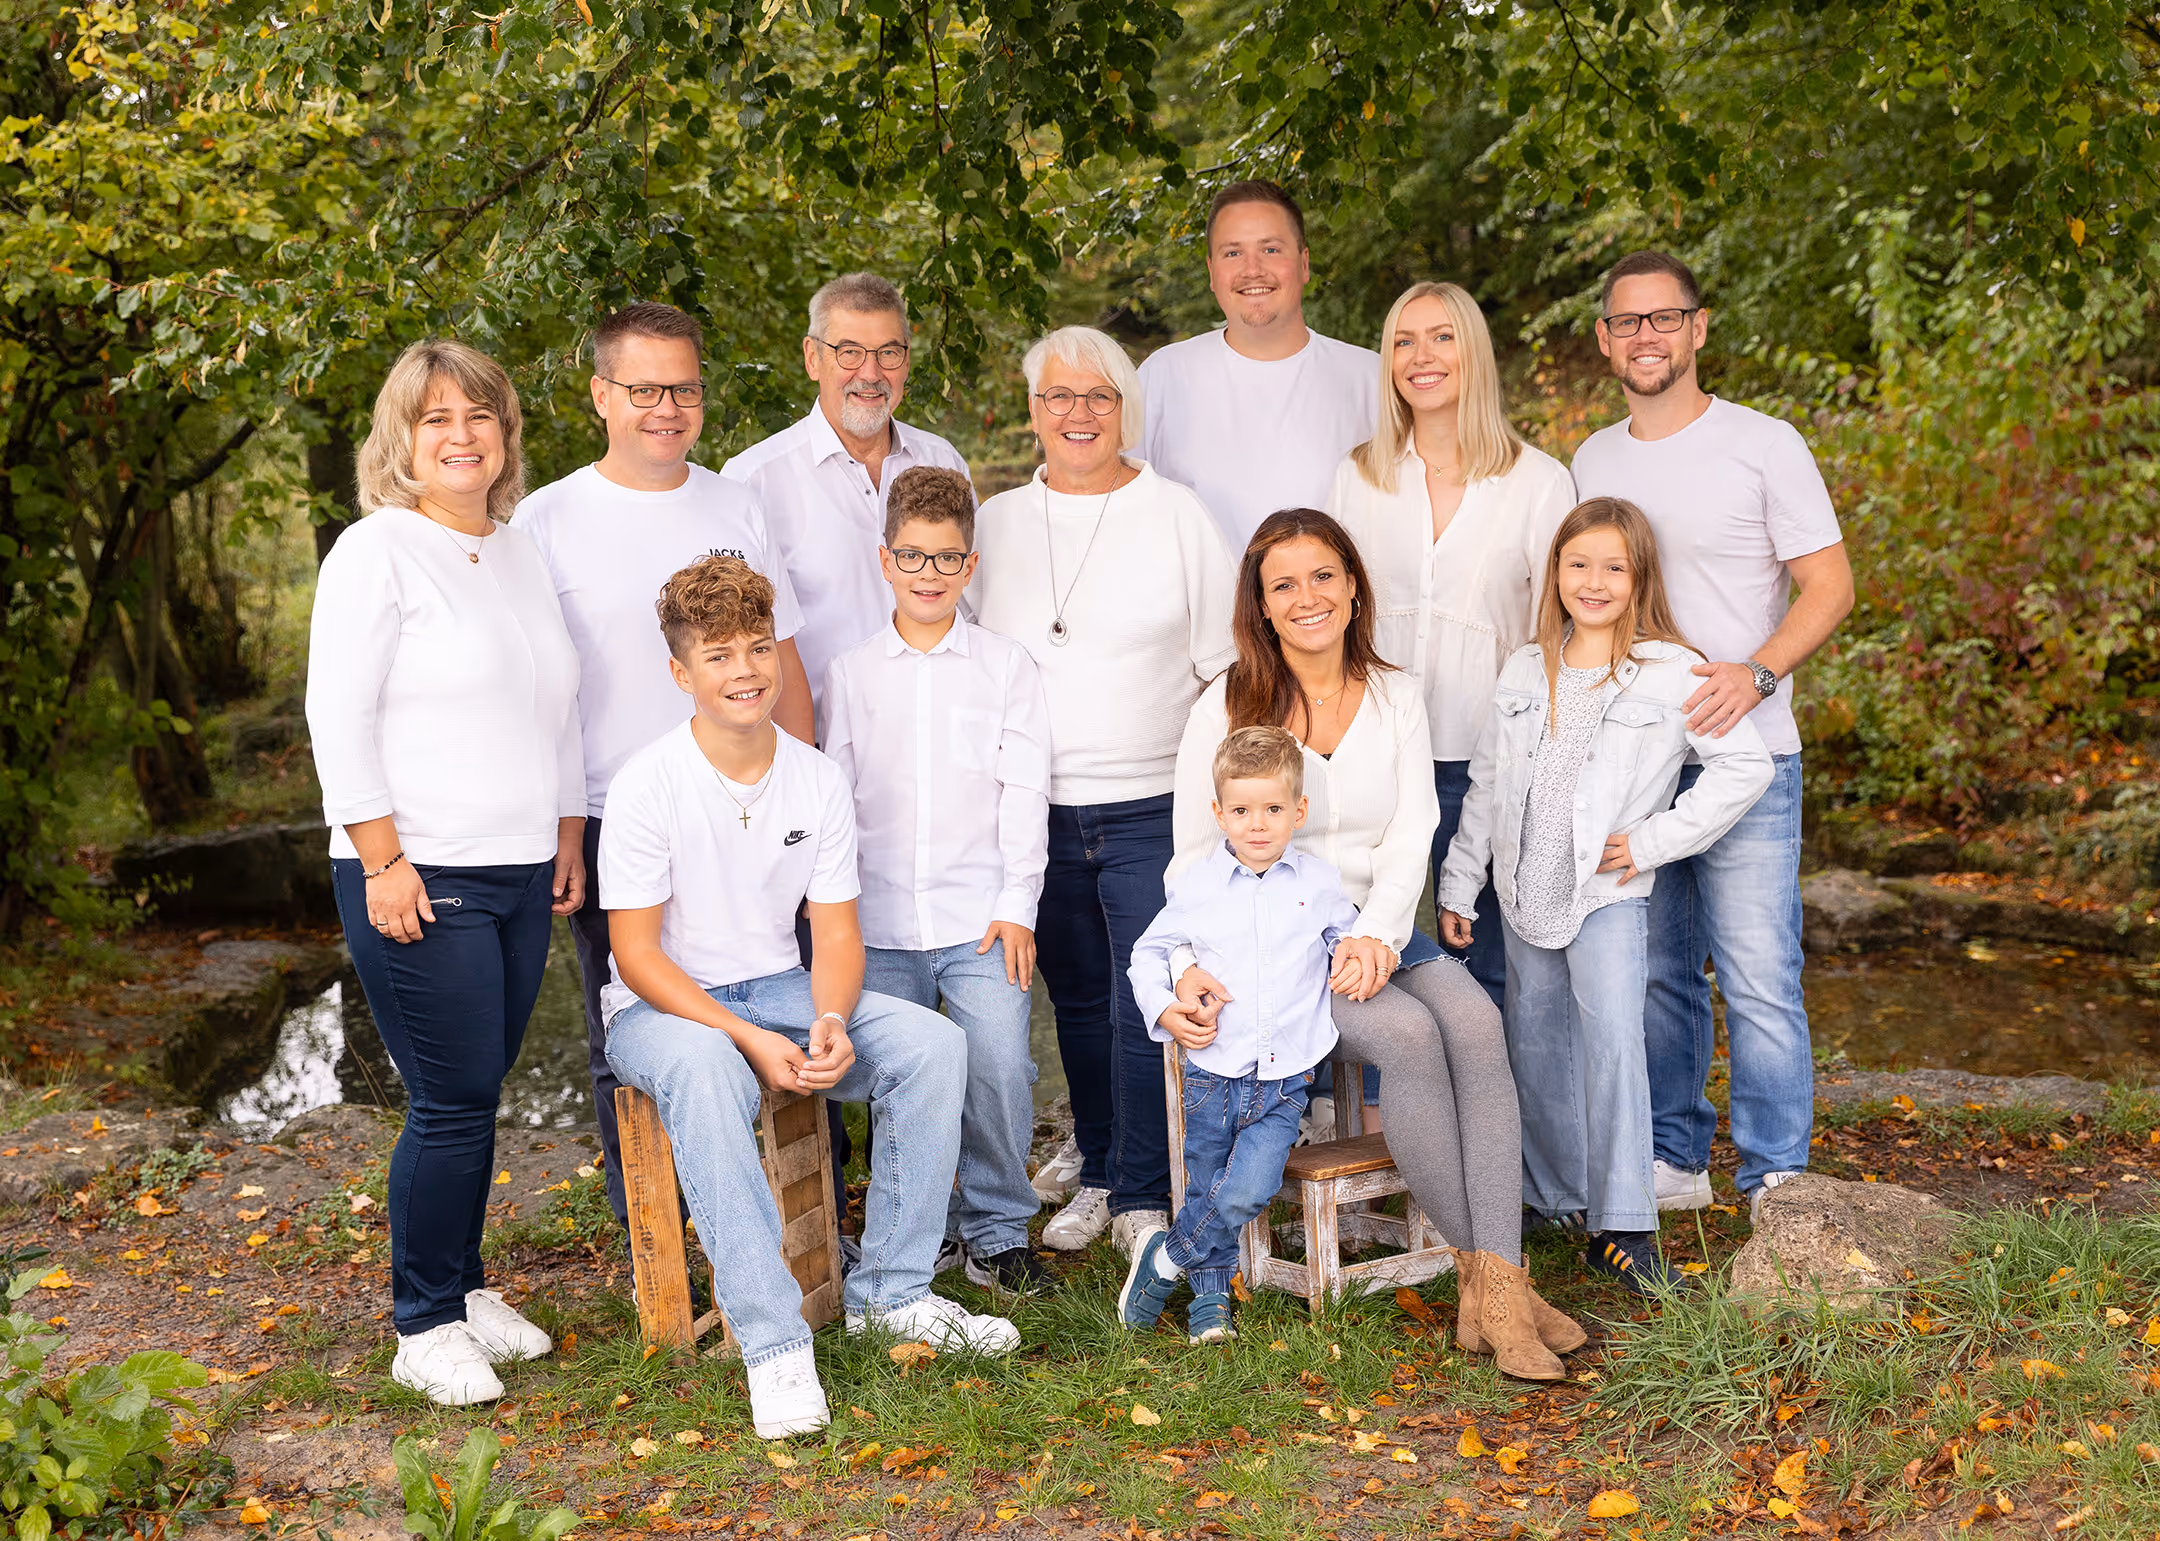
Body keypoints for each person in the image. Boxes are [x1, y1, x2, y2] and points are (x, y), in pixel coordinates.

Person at [600, 555, 1018, 1442]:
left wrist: (827, 1017)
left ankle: (892, 1293)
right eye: (718, 656)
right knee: (712, 1066)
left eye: (758, 648)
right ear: (682, 673)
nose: (744, 669)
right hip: (662, 1010)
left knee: (932, 1046)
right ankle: (775, 1342)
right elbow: (635, 956)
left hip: (782, 986)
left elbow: (834, 937)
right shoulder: (647, 783)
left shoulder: (816, 780)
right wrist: (749, 1036)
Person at [1166, 508, 1582, 1381]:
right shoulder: (1227, 705)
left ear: (1354, 586)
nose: (1308, 596)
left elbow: (1413, 828)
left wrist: (1378, 934)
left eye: (1324, 575)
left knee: (1474, 1022)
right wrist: (1195, 960)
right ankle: (1497, 1289)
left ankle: (1493, 1285)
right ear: (1262, 606)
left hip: (1380, 924)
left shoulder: (1395, 692)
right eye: (1285, 584)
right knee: (1408, 1037)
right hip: (1275, 944)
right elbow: (1191, 857)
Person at [306, 339, 583, 1406]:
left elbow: (551, 701)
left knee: (477, 1088)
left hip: (519, 868)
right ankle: (422, 1322)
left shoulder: (515, 549)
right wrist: (381, 856)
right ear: (403, 439)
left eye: (479, 414)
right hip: (419, 868)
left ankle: (464, 1291)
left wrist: (565, 830)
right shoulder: (375, 552)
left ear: (505, 432)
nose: (460, 434)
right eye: (436, 418)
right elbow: (338, 715)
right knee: (453, 1098)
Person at [516, 301, 813, 1229]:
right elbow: (539, 697)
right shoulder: (546, 519)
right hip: (613, 813)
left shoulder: (735, 501)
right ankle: (654, 1224)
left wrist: (806, 797)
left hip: (753, 803)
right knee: (628, 1023)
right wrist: (566, 827)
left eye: (683, 386)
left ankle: (796, 1215)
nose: (666, 407)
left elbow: (785, 658)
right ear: (600, 392)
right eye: (643, 388)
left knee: (779, 1004)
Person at [1569, 251, 1853, 1221]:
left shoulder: (1765, 444)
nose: (1646, 335)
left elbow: (1831, 585)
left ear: (1699, 328)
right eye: (1627, 322)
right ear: (1605, 340)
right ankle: (1674, 1154)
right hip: (1642, 761)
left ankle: (1777, 1171)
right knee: (1656, 971)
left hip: (1751, 752)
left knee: (1761, 971)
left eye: (1665, 318)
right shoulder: (1593, 460)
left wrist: (1759, 669)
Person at [1439, 498, 1772, 1293]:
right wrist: (1460, 880)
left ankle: (1623, 1224)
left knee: (1616, 1044)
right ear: (1555, 572)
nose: (1594, 581)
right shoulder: (1525, 668)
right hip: (1524, 887)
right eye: (1578, 563)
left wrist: (1653, 841)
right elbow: (1485, 785)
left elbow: (1745, 768)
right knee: (1539, 1043)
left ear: (1639, 578)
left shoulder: (1669, 671)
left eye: (1613, 567)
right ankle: (1559, 1200)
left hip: (1606, 891)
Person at [969, 325, 1238, 1256]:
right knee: (1074, 998)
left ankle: (1140, 1191)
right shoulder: (995, 521)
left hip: (1150, 805)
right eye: (1059, 396)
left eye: (1100, 397)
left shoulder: (1178, 515)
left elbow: (1225, 671)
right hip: (1034, 811)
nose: (1079, 414)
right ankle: (1095, 1160)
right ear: (1033, 410)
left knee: (1141, 997)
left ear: (1128, 409)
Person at [822, 466, 1054, 1293]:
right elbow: (834, 799)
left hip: (980, 917)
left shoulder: (1005, 667)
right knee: (897, 1074)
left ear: (971, 564)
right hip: (877, 921)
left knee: (995, 1062)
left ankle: (995, 1230)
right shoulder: (850, 674)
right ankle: (911, 1232)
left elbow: (1025, 793)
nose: (929, 574)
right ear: (885, 560)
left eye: (947, 559)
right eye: (913, 557)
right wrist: (832, 919)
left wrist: (1017, 906)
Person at [1326, 280, 1575, 1008]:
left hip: (1491, 756)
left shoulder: (1538, 482)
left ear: (1474, 352)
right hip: (1378, 750)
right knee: (1373, 959)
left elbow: (1556, 634)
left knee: (1493, 958)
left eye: (1441, 337)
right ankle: (1382, 1120)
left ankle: (1502, 1122)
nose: (1420, 356)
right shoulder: (1357, 476)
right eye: (1403, 340)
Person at [1123, 726, 1362, 1344]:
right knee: (1208, 1182)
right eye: (1242, 810)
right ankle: (1210, 1302)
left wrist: (1349, 956)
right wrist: (1165, 1007)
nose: (1258, 824)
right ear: (1219, 813)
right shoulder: (1197, 887)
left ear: (1298, 811)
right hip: (1214, 1070)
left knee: (1247, 1188)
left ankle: (1167, 1256)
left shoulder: (1318, 883)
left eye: (1274, 809)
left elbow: (1344, 936)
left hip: (1285, 1077)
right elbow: (1148, 956)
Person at [720, 272, 971, 732]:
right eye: (849, 352)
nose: (871, 374)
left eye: (888, 353)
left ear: (906, 360)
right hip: (816, 745)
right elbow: (735, 642)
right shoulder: (752, 481)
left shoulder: (943, 460)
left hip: (941, 735)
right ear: (813, 358)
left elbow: (966, 599)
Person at [1137, 180, 1380, 551]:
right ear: (1211, 271)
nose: (1253, 269)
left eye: (1270, 249)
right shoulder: (1163, 377)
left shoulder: (1370, 379)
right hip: (1202, 611)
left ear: (1303, 264)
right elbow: (1116, 507)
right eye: (1232, 253)